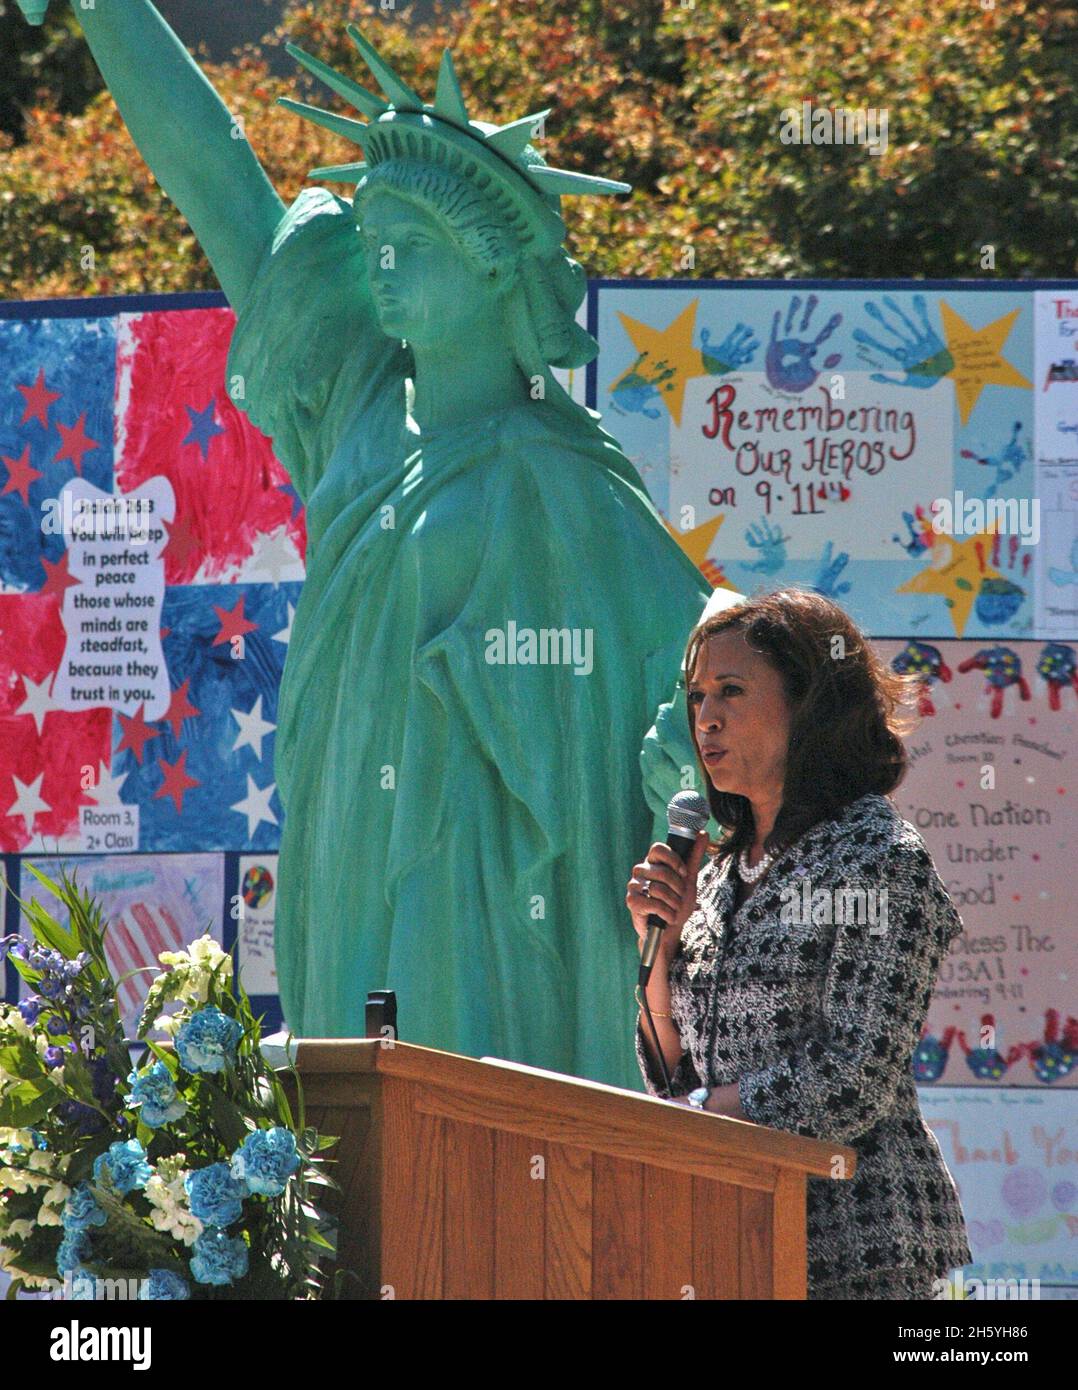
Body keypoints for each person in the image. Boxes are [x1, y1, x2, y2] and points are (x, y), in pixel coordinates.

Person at [21, 3, 711, 1087]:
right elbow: (223, 185)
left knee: (468, 1142)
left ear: (494, 267)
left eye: (413, 243)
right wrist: (108, 11)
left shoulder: (570, 482)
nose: (379, 265)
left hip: (483, 886)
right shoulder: (354, 404)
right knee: (349, 1134)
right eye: (372, 238)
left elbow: (721, 670)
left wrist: (687, 775)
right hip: (346, 830)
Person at [626, 588, 973, 1299]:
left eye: (730, 691)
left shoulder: (876, 857)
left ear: (808, 704)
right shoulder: (721, 867)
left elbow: (850, 1080)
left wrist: (698, 1117)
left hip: (852, 1251)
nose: (706, 718)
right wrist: (658, 952)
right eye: (696, 698)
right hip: (723, 1237)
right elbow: (672, 1078)